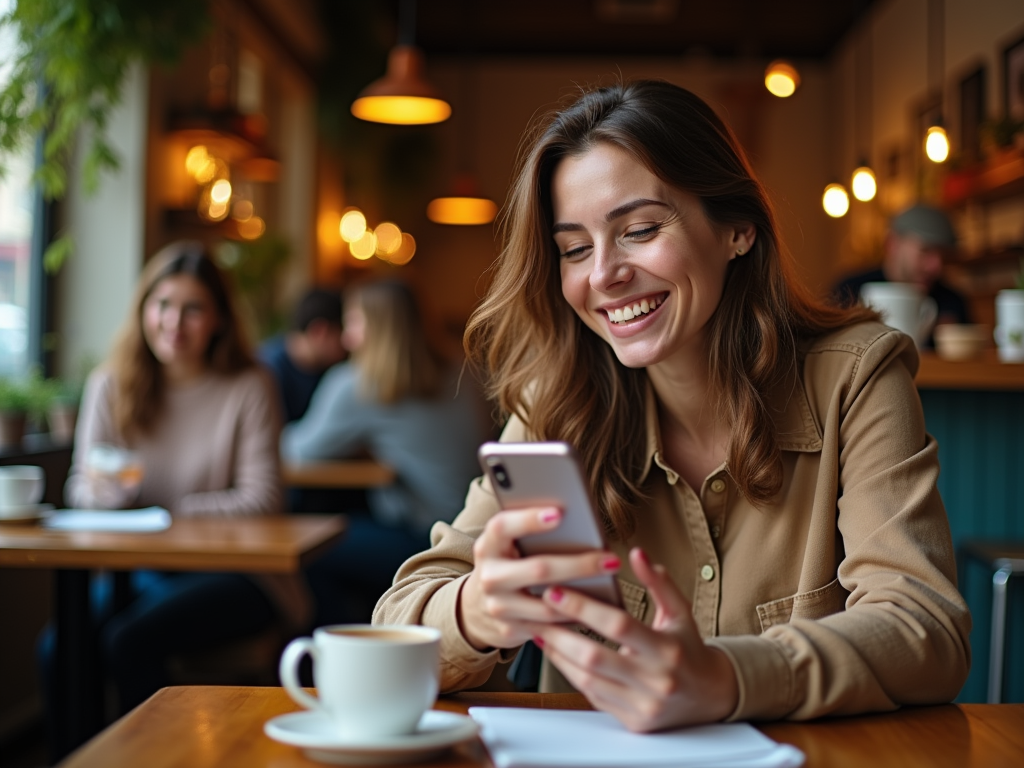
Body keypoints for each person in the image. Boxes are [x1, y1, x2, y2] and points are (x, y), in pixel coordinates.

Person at [373, 81, 971, 731]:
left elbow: (925, 629)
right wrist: (479, 609)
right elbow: (397, 623)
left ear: (737, 229)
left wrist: (727, 676)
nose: (602, 274)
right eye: (574, 248)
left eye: (639, 230)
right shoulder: (558, 406)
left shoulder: (855, 378)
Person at [51, 241, 296, 716]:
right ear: (143, 309)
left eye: (193, 309)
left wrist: (159, 513)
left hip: (242, 574)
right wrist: (106, 496)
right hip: (140, 568)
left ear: (220, 320)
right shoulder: (110, 384)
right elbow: (79, 489)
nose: (173, 323)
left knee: (127, 642)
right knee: (59, 650)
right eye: (161, 305)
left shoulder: (249, 385)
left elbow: (263, 499)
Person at [281, 278, 489, 625]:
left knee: (309, 553)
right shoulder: (467, 371)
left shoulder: (358, 382)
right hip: (475, 531)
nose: (347, 337)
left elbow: (297, 452)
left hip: (425, 538)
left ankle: (344, 656)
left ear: (378, 328)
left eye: (354, 323)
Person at [833, 203, 970, 341]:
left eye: (943, 255)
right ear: (892, 244)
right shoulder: (849, 292)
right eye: (926, 250)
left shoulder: (953, 303)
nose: (936, 267)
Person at [259, 287, 345, 424]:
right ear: (320, 331)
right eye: (342, 333)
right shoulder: (267, 370)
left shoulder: (335, 369)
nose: (348, 341)